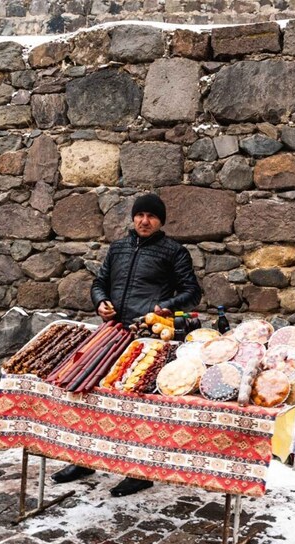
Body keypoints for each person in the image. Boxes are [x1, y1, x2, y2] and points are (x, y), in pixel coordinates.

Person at [51, 193, 202, 497]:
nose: (144, 221)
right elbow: (99, 283)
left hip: (146, 337)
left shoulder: (174, 252)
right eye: (140, 215)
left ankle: (138, 470)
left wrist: (165, 305)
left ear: (160, 221)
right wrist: (100, 301)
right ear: (133, 218)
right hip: (112, 331)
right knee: (89, 392)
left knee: (136, 404)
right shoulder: (118, 248)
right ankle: (83, 459)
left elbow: (192, 292)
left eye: (151, 216)